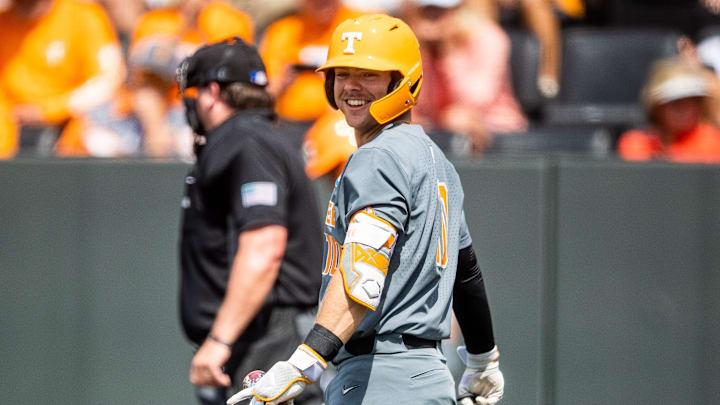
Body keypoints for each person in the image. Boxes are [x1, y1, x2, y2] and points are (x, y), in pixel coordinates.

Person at [228, 14, 504, 405]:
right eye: (342, 73)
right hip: (428, 376)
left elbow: (363, 274)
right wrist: (482, 359)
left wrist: (305, 361)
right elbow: (467, 274)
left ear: (402, 81)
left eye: (369, 75)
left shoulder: (376, 157)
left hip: (379, 378)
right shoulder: (436, 159)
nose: (351, 86)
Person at [176, 38, 323, 405]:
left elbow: (264, 246)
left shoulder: (245, 140)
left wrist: (219, 341)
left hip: (268, 335)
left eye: (194, 92)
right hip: (253, 337)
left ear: (212, 92)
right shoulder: (254, 136)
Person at [0, 0, 125, 157]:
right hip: (11, 124)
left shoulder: (82, 15)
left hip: (71, 122)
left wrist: (50, 110)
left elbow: (109, 78)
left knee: (100, 139)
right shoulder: (3, 22)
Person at [401, 0, 528, 154]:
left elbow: (478, 98)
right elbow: (416, 103)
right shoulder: (420, 45)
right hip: (440, 132)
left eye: (440, 12)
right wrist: (422, 52)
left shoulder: (489, 37)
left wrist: (448, 50)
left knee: (457, 119)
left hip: (497, 132)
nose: (433, 19)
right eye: (427, 12)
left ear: (459, 11)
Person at [259, 0, 364, 125]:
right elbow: (264, 93)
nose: (320, 2)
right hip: (290, 125)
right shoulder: (283, 31)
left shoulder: (364, 25)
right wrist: (282, 81)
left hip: (346, 122)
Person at [618, 57, 720, 163]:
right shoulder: (636, 144)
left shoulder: (714, 143)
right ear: (656, 107)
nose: (685, 109)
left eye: (692, 100)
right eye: (675, 102)